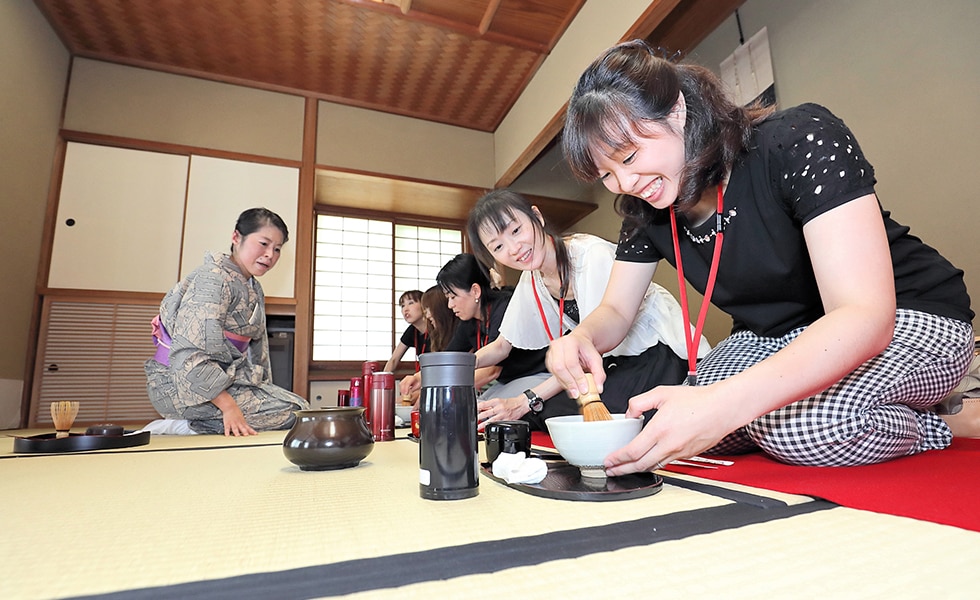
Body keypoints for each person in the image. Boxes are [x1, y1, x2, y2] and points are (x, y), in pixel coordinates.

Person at [548, 40, 975, 472]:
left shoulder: (797, 139)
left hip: (905, 314)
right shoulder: (645, 211)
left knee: (800, 428)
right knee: (675, 418)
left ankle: (943, 421)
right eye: (606, 174)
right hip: (777, 335)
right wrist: (583, 338)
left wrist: (729, 404)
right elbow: (617, 310)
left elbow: (864, 315)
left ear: (676, 110)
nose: (625, 183)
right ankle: (801, 419)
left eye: (629, 156)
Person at [467, 188, 709, 426]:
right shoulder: (533, 279)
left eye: (516, 230)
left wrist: (524, 400)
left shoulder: (590, 255)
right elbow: (503, 345)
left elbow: (590, 350)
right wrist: (461, 366)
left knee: (573, 412)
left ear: (537, 217)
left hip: (656, 352)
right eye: (498, 247)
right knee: (548, 411)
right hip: (610, 363)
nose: (513, 249)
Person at [144, 208, 309, 435]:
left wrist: (263, 389)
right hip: (181, 383)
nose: (270, 254)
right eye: (263, 243)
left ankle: (201, 421)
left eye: (277, 249)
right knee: (293, 414)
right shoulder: (212, 278)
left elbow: (257, 353)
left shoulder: (253, 287)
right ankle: (185, 425)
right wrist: (229, 406)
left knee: (300, 410)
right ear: (236, 237)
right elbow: (189, 353)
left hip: (228, 380)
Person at [403, 254, 578, 430]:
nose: (450, 305)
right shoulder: (469, 321)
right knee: (477, 408)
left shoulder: (504, 307)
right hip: (511, 380)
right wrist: (420, 378)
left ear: (475, 291)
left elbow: (492, 369)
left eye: (453, 297)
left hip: (542, 376)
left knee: (482, 412)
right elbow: (450, 357)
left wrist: (442, 389)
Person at [382, 290, 428, 372]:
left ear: (424, 305)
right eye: (403, 306)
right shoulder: (412, 330)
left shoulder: (437, 327)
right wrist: (383, 377)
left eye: (411, 303)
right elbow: (394, 360)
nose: (405, 309)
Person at [420, 285, 458, 353]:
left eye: (429, 308)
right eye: (425, 311)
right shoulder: (437, 335)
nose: (427, 316)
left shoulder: (462, 330)